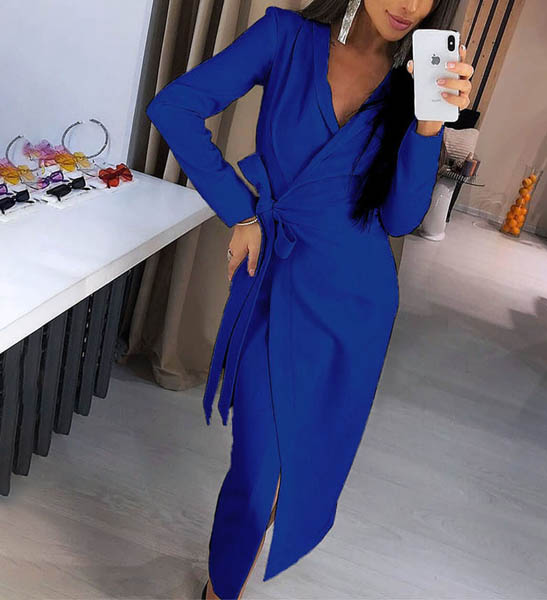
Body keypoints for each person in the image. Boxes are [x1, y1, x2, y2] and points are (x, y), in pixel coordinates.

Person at [145, 1, 473, 598]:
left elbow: (400, 219)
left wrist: (429, 128)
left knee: (294, 470)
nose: (410, 5)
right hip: (275, 283)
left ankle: (223, 587)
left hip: (355, 304)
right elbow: (174, 106)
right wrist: (241, 210)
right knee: (257, 468)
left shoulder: (411, 85)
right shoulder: (285, 37)